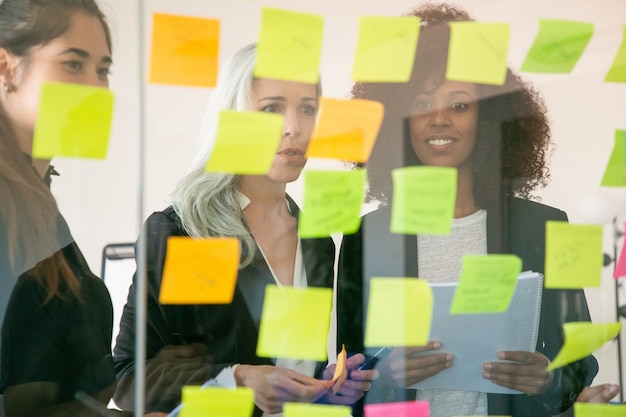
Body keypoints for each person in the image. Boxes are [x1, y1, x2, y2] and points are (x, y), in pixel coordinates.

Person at [336, 3, 598, 417]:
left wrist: (547, 378)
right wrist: (385, 371)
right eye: (422, 104)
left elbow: (581, 361)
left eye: (459, 105)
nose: (439, 119)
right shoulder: (365, 236)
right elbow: (344, 375)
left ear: (489, 117)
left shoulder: (547, 226)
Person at [112, 43, 377, 417]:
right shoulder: (185, 233)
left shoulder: (316, 241)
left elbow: (289, 368)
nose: (294, 128)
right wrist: (238, 379)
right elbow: (130, 382)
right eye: (271, 109)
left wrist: (323, 386)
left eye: (307, 109)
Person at [0, 1, 166, 416]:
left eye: (103, 70)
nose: (96, 89)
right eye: (73, 65)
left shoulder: (36, 200)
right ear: (6, 68)